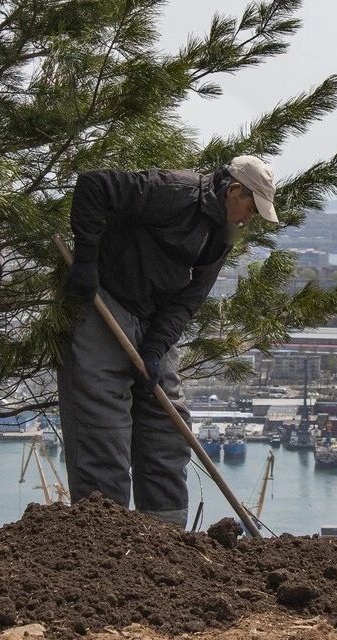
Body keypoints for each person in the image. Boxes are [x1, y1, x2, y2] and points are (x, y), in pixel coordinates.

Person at [57, 156, 277, 526]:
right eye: (250, 208)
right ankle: (103, 538)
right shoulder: (174, 191)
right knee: (104, 432)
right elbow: (94, 184)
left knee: (168, 428)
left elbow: (189, 299)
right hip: (104, 301)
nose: (247, 220)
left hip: (152, 318)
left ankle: (167, 540)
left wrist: (155, 349)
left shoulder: (221, 235)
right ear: (234, 190)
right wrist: (87, 260)